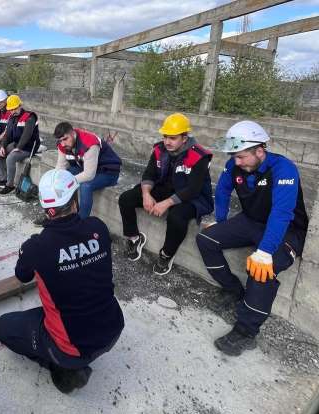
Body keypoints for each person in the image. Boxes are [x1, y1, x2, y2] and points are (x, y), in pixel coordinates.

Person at [0, 169, 124, 394]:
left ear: (46, 208)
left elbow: (22, 276)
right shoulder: (98, 228)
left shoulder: (36, 247)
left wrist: (26, 253)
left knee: (3, 327)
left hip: (71, 348)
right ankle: (69, 359)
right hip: (113, 329)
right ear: (75, 200)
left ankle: (65, 369)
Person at [196, 120, 308, 356]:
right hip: (250, 221)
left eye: (241, 157)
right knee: (206, 239)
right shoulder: (234, 164)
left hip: (287, 229)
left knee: (260, 270)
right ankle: (232, 289)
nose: (235, 162)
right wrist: (222, 220)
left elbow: (282, 213)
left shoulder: (283, 169)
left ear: (260, 150)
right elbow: (223, 190)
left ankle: (246, 332)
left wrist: (265, 251)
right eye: (234, 156)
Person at [118, 113, 213, 275]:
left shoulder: (199, 156)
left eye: (173, 138)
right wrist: (146, 194)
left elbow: (193, 189)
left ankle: (166, 253)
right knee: (126, 198)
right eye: (165, 137)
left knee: (177, 217)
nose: (167, 142)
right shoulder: (159, 149)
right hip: (165, 188)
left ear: (184, 138)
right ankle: (134, 238)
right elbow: (149, 174)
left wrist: (166, 203)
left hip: (192, 196)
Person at [54, 122, 122, 219]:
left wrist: (68, 181)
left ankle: (80, 221)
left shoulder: (89, 142)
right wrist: (56, 180)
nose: (63, 143)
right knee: (63, 175)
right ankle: (58, 213)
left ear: (73, 133)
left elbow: (89, 175)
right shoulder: (62, 144)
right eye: (60, 140)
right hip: (88, 167)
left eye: (65, 139)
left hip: (108, 172)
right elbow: (60, 166)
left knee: (86, 186)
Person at [0, 95, 40, 194]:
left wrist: (18, 148)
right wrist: (3, 146)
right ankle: (2, 178)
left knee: (10, 158)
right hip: (16, 144)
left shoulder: (30, 117)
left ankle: (10, 185)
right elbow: (7, 134)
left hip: (28, 147)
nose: (12, 111)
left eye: (15, 108)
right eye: (11, 109)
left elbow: (27, 135)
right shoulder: (12, 117)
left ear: (20, 105)